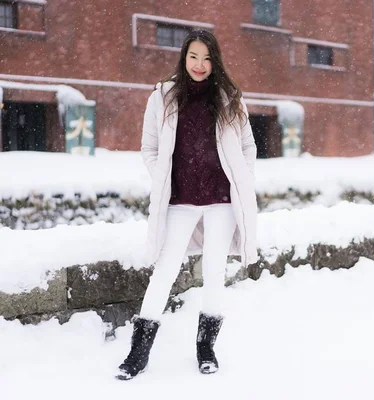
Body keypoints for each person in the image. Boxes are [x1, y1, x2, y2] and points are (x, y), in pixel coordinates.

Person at [116, 29, 259, 380]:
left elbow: (248, 147)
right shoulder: (163, 97)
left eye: (207, 58)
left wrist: (240, 177)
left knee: (214, 271)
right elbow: (149, 148)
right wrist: (162, 175)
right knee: (165, 269)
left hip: (222, 200)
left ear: (215, 61)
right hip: (180, 199)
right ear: (184, 57)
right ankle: (138, 352)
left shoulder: (230, 98)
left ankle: (205, 347)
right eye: (193, 57)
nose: (200, 64)